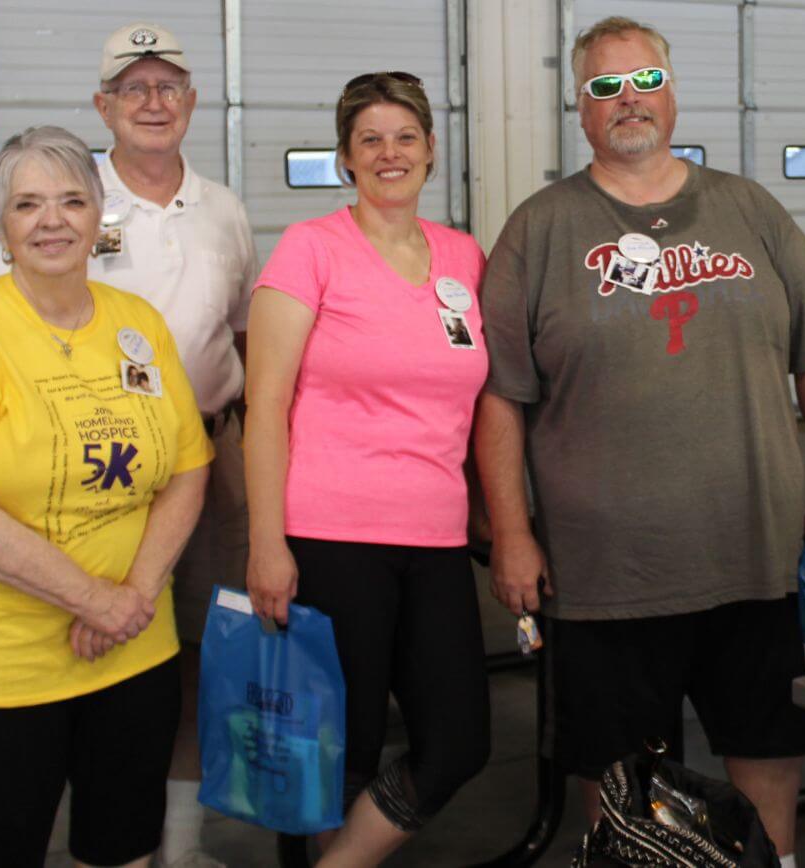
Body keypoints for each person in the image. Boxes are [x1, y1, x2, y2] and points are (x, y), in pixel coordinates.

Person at [474, 17, 805, 866]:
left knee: (765, 749)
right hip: (606, 573)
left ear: (673, 92)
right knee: (621, 784)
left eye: (644, 80)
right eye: (604, 88)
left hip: (751, 557)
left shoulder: (748, 207)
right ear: (579, 111)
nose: (628, 101)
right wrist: (511, 531)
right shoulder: (539, 230)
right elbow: (500, 398)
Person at [0, 23, 258, 866]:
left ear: (190, 101)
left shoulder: (223, 208)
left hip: (202, 457)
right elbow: (16, 282)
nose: (152, 102)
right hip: (81, 473)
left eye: (168, 86)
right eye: (132, 87)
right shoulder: (68, 183)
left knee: (199, 659)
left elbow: (246, 336)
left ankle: (170, 841)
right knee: (90, 668)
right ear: (103, 104)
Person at [0, 126, 212, 868]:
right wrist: (93, 600)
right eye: (27, 204)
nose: (51, 220)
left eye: (71, 201)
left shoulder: (138, 326)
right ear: (2, 224)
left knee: (124, 829)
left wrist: (132, 594)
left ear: (100, 218)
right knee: (6, 833)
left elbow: (188, 466)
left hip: (133, 636)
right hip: (1, 650)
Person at [243, 71, 490, 866]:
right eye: (370, 140)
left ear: (431, 151)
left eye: (406, 137)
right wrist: (266, 544)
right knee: (330, 752)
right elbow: (266, 409)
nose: (390, 154)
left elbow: (486, 399)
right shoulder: (311, 248)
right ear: (346, 159)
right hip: (328, 535)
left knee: (458, 741)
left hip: (438, 537)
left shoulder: (463, 257)